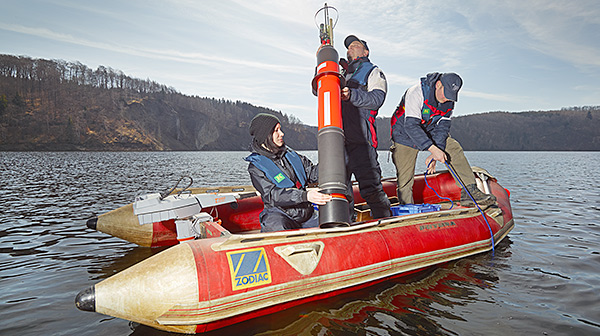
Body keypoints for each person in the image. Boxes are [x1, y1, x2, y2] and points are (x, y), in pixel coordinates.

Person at [390, 72, 496, 207]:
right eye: (445, 94)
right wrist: (432, 148)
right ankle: (406, 208)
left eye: (451, 96)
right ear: (438, 85)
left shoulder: (449, 101)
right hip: (404, 133)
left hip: (430, 129)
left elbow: (443, 128)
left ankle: (469, 192)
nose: (447, 99)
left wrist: (437, 151)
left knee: (453, 147)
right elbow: (411, 126)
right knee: (405, 178)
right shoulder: (416, 92)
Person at [245, 113, 332, 232]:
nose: (282, 134)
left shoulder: (292, 156)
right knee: (275, 225)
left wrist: (331, 162)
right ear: (265, 135)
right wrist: (305, 196)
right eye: (276, 130)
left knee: (331, 224)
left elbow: (312, 173)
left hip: (305, 213)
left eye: (280, 129)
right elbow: (272, 195)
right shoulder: (256, 167)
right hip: (279, 214)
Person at [339, 35, 391, 219]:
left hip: (362, 141)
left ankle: (385, 224)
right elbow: (318, 90)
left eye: (355, 45)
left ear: (366, 51)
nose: (350, 49)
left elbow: (377, 100)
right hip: (338, 142)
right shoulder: (340, 73)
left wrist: (351, 95)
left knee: (371, 189)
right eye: (348, 47)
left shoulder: (373, 71)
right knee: (341, 192)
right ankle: (347, 229)